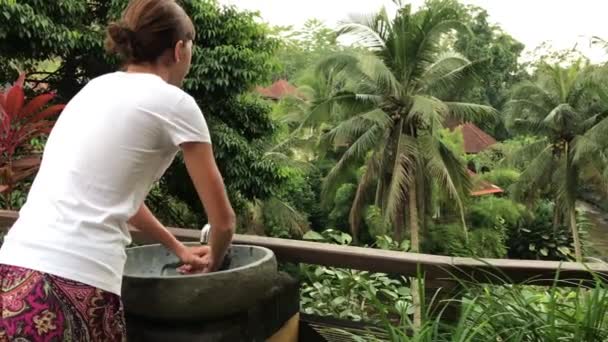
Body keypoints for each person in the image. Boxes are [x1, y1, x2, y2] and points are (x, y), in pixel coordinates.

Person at [0, 0, 236, 340]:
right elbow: (224, 221)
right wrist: (215, 256)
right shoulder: (176, 103)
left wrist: (180, 250)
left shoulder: (95, 89)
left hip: (14, 271)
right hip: (75, 282)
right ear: (180, 49)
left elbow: (124, 202)